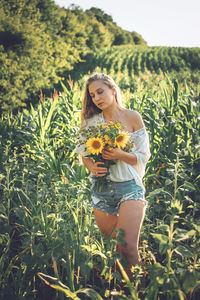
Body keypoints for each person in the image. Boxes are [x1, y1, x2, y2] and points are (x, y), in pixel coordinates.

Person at [75, 73, 151, 278]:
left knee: (128, 249)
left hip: (129, 188)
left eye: (100, 91)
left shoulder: (132, 117)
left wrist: (120, 154)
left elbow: (144, 156)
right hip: (101, 190)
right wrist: (91, 167)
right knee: (116, 252)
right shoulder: (90, 122)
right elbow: (84, 155)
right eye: (92, 95)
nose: (96, 98)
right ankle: (122, 291)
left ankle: (139, 292)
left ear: (113, 90)